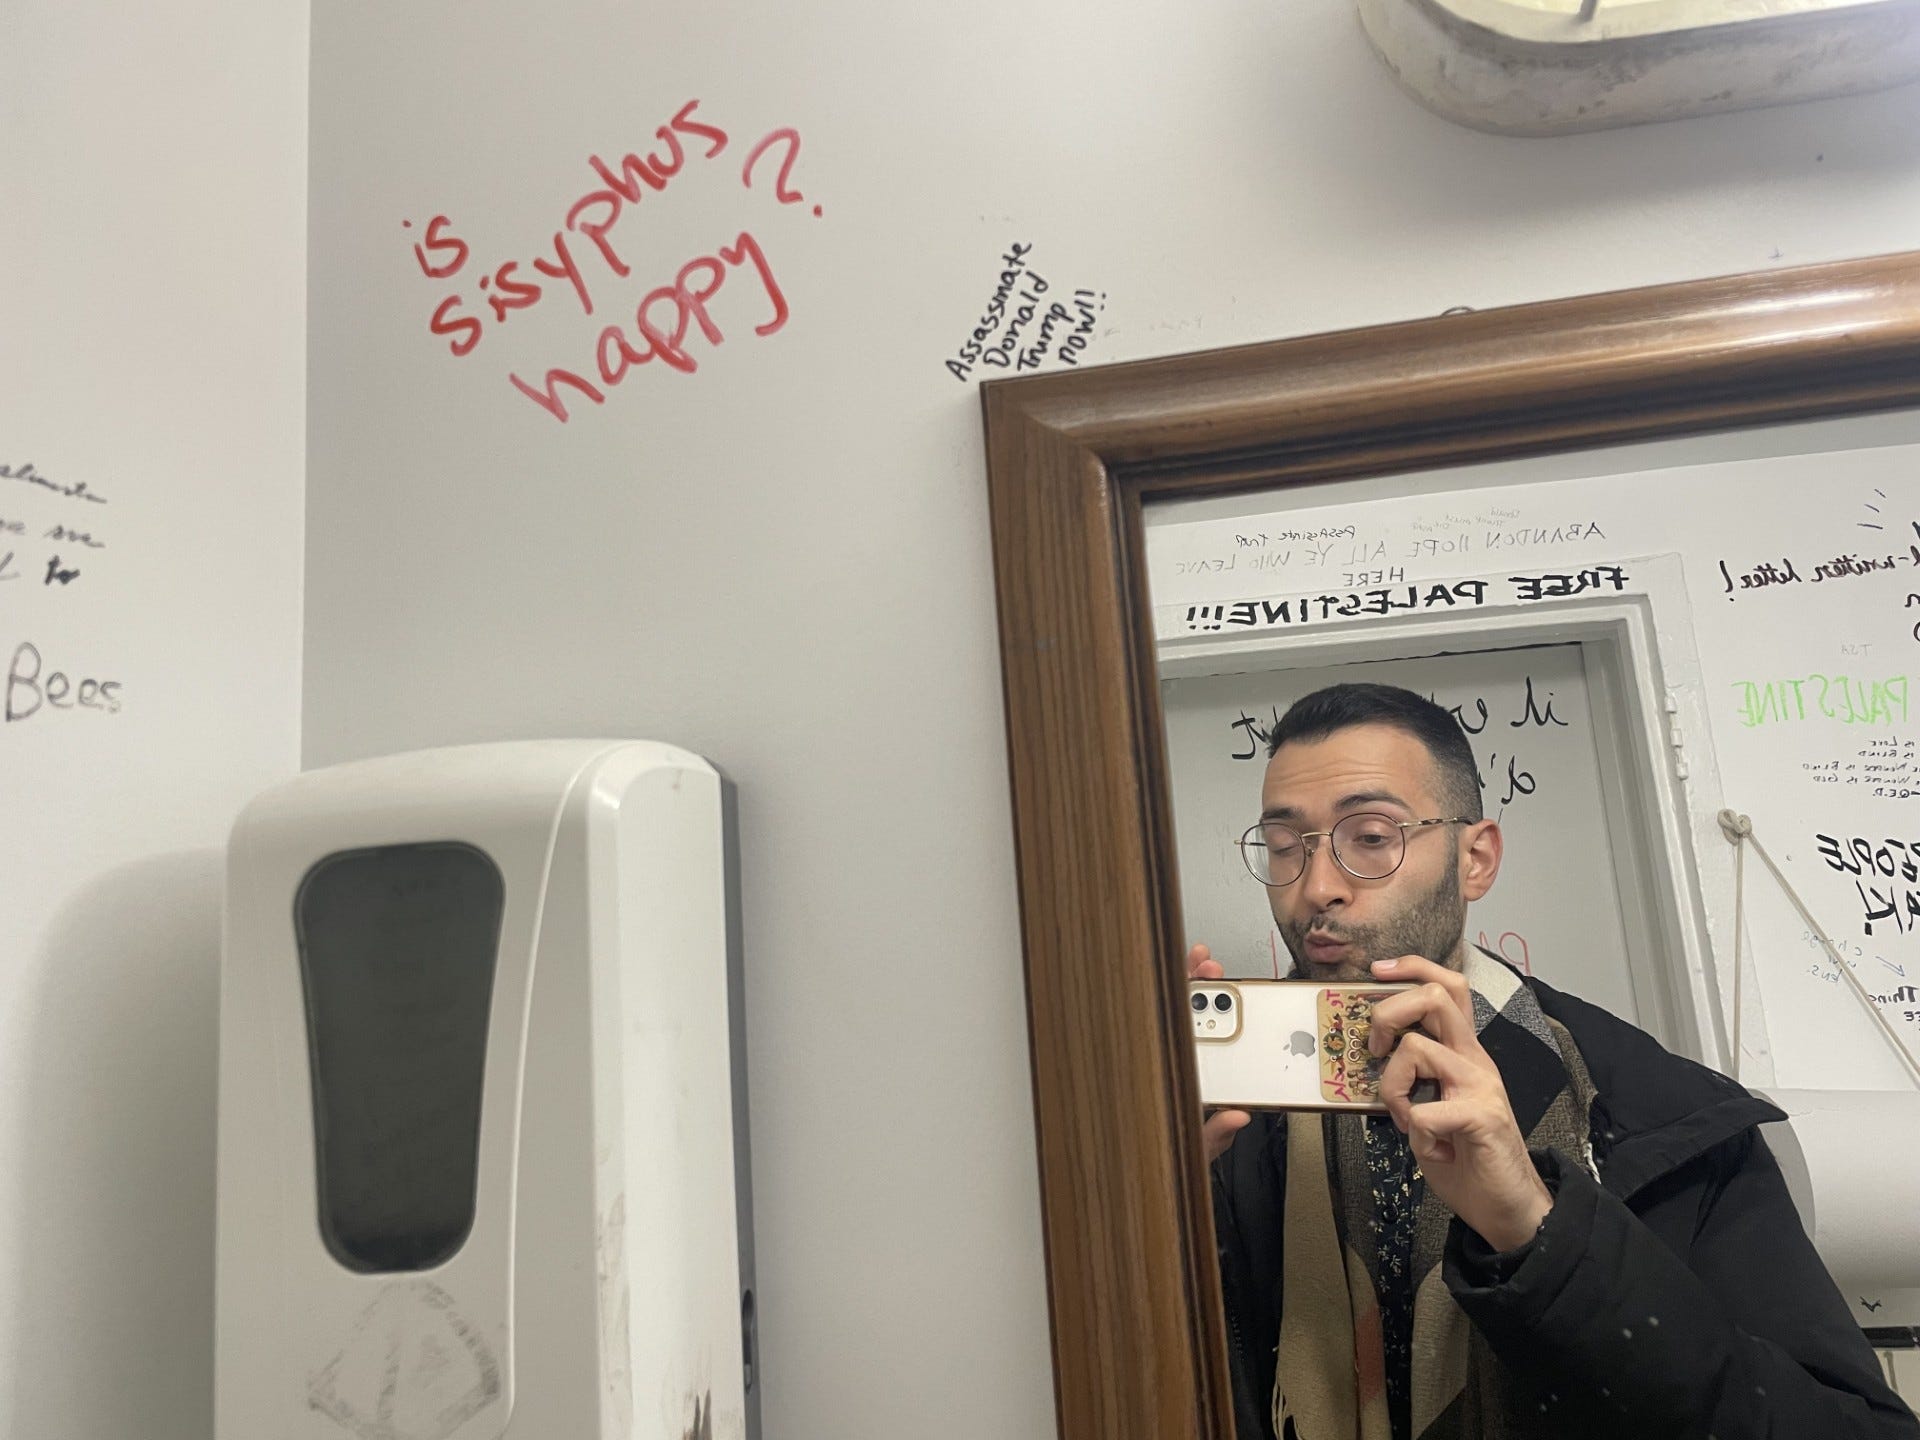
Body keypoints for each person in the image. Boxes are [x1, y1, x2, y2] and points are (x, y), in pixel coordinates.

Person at [1193, 681, 1920, 1440]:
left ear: (1475, 859)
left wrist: (1536, 1228)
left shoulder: (1663, 1114)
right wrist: (1152, 1214)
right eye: (1284, 847)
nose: (1316, 888)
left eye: (1371, 838)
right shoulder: (1228, 1121)